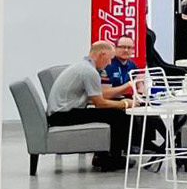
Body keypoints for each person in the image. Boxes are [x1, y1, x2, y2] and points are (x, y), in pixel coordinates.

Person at [46, 42, 141, 171]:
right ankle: (111, 159)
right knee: (119, 116)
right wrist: (125, 104)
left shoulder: (83, 66)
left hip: (59, 113)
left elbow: (99, 96)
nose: (109, 64)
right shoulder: (90, 72)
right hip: (63, 115)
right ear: (102, 55)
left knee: (112, 113)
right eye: (109, 59)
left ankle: (103, 155)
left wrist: (123, 96)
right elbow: (100, 103)